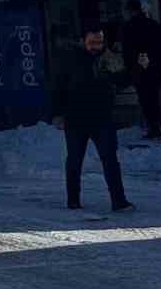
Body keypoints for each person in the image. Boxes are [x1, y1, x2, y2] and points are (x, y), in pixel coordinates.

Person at [50, 23, 134, 213]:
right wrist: (57, 114)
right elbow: (58, 88)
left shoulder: (109, 58)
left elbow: (123, 80)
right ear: (83, 41)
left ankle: (119, 201)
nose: (96, 45)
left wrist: (133, 69)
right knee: (74, 160)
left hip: (102, 118)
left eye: (100, 42)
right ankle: (73, 200)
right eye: (92, 42)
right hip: (75, 119)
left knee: (110, 159)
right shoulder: (70, 60)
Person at [122, 0, 161, 138]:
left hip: (139, 68)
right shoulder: (153, 24)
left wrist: (130, 67)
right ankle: (157, 125)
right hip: (155, 67)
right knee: (153, 96)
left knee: (146, 98)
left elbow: (128, 51)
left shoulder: (129, 27)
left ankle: (154, 127)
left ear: (130, 10)